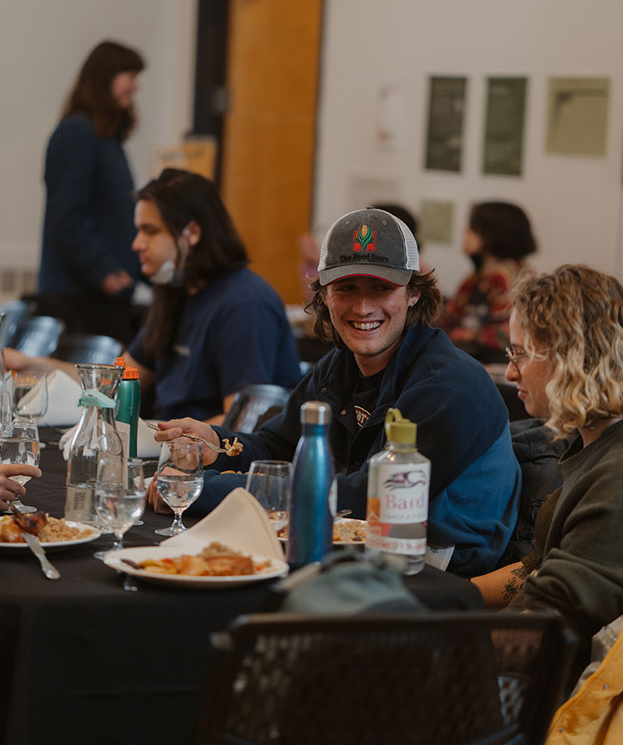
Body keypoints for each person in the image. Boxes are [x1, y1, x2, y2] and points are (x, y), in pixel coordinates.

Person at [148, 206, 522, 577]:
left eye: (382, 287)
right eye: (346, 288)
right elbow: (277, 446)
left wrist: (202, 489)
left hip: (439, 566)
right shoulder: (338, 365)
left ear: (414, 294)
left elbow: (364, 498)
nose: (362, 307)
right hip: (362, 542)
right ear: (325, 295)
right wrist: (215, 444)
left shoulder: (450, 387)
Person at [472, 265, 623, 668]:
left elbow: (542, 635)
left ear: (572, 358)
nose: (509, 372)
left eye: (521, 353)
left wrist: (422, 650)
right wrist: (450, 594)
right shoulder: (610, 442)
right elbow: (542, 571)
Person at [7, 169, 303, 424]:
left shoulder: (244, 304)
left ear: (193, 232)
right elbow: (117, 381)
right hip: (169, 453)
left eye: (150, 231)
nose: (136, 244)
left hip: (208, 469)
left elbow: (241, 422)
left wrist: (157, 436)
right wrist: (29, 364)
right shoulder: (176, 292)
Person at [37, 40, 145, 343]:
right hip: (79, 299)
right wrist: (104, 271)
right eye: (130, 76)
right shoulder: (77, 132)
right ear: (104, 78)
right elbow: (67, 215)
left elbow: (118, 218)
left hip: (103, 296)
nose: (135, 87)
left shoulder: (109, 140)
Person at [438, 201, 537, 362]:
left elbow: (509, 334)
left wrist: (471, 335)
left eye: (472, 228)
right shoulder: (476, 279)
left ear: (491, 235)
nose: (464, 232)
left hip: (496, 364)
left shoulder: (507, 279)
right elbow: (447, 317)